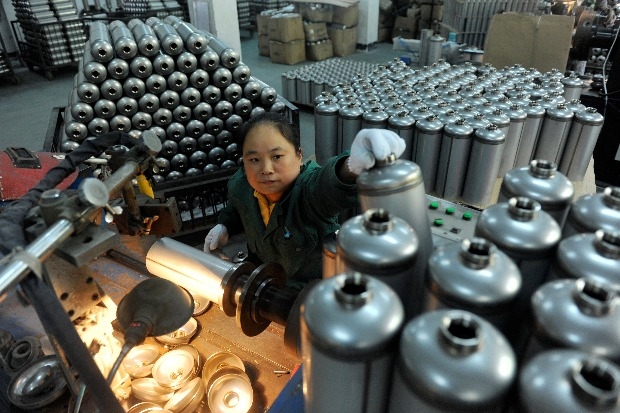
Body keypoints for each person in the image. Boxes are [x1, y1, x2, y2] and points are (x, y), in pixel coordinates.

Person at [203, 112, 406, 291]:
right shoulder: (241, 186)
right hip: (262, 280)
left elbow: (328, 185)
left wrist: (351, 166)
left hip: (307, 290)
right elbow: (237, 208)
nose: (266, 169)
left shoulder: (309, 192)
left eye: (277, 156)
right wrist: (225, 225)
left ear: (299, 155)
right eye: (254, 159)